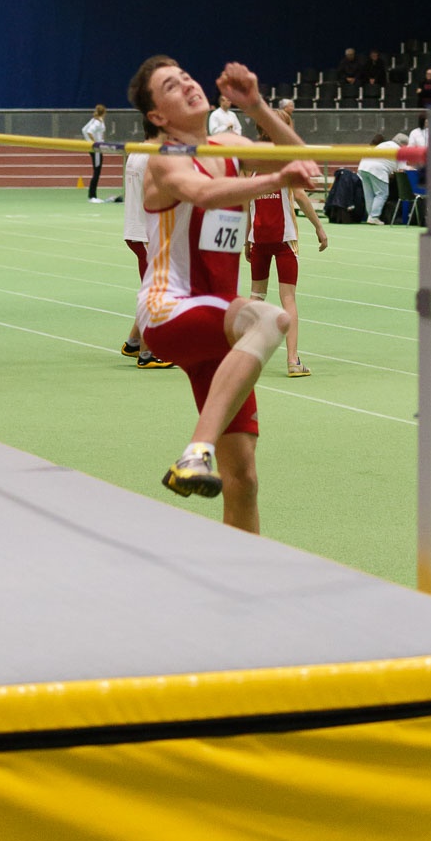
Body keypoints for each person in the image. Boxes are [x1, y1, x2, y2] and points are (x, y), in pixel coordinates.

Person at [127, 55, 315, 534]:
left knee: (244, 478)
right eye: (171, 86)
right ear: (158, 117)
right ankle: (196, 450)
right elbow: (206, 195)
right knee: (269, 319)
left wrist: (257, 106)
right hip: (169, 311)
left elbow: (304, 158)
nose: (188, 84)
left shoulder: (230, 143)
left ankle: (243, 581)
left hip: (223, 329)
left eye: (186, 75)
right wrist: (275, 181)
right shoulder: (162, 160)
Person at [245, 109, 328, 378]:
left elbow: (247, 200)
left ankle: (243, 358)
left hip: (259, 239)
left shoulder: (253, 159)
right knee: (288, 298)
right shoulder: (286, 159)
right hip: (283, 239)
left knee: (256, 296)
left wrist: (248, 237)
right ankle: (293, 361)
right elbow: (302, 197)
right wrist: (318, 227)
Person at [120, 118, 175, 370]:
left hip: (137, 231)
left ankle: (133, 341)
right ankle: (147, 353)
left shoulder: (136, 152)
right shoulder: (152, 157)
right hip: (145, 234)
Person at [357, 133, 408, 225]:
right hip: (377, 169)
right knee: (382, 194)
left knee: (369, 194)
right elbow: (402, 170)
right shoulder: (401, 151)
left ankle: (370, 216)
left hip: (363, 166)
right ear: (403, 145)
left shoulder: (383, 144)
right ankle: (374, 217)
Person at [82, 105, 107, 204]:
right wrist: (94, 143)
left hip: (94, 148)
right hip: (96, 149)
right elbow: (88, 131)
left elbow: (83, 130)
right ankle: (92, 196)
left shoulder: (95, 120)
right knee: (97, 171)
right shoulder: (97, 122)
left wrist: (89, 142)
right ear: (104, 112)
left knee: (96, 170)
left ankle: (92, 195)